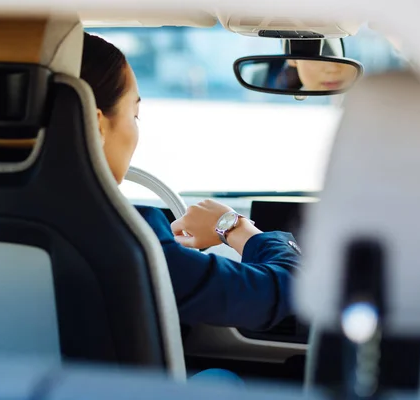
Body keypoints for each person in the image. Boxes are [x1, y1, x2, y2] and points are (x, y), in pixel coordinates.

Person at [81, 32, 301, 332]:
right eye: (135, 115)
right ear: (95, 125)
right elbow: (278, 293)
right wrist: (235, 227)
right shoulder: (125, 239)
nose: (136, 129)